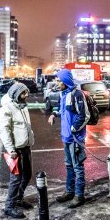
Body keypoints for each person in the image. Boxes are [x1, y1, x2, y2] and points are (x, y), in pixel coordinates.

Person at [47, 69, 88, 208]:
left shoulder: (77, 94)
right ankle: (69, 191)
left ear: (66, 81)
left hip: (76, 139)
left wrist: (74, 129)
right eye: (57, 80)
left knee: (78, 167)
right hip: (66, 138)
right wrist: (53, 114)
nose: (57, 83)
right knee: (69, 166)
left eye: (59, 81)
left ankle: (79, 196)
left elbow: (85, 115)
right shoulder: (63, 94)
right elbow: (61, 109)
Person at [0, 82, 35, 219]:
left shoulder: (23, 107)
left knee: (27, 175)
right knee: (16, 179)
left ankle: (18, 199)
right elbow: (4, 131)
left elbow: (26, 126)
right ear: (15, 94)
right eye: (23, 93)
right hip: (15, 150)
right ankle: (9, 206)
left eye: (26, 92)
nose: (26, 95)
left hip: (26, 147)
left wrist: (31, 137)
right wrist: (11, 150)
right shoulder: (6, 109)